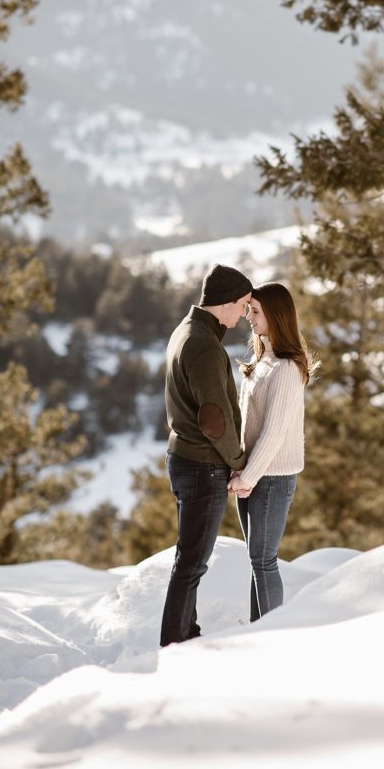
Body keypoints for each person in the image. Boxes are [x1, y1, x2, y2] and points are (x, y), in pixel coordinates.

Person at [159, 263, 252, 647]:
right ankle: (176, 643)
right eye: (243, 305)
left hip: (184, 459)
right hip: (202, 466)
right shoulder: (204, 345)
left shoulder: (186, 330)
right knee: (192, 563)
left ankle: (187, 633)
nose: (244, 314)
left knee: (188, 559)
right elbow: (214, 419)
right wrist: (239, 463)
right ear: (227, 302)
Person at [228, 282, 316, 621]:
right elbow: (246, 424)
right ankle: (258, 630)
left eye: (255, 311)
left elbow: (274, 432)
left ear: (276, 316)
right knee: (256, 560)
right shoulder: (261, 361)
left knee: (264, 560)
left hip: (272, 477)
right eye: (248, 310)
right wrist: (238, 468)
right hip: (251, 475)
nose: (248, 317)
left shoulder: (287, 369)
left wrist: (248, 477)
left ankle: (270, 634)